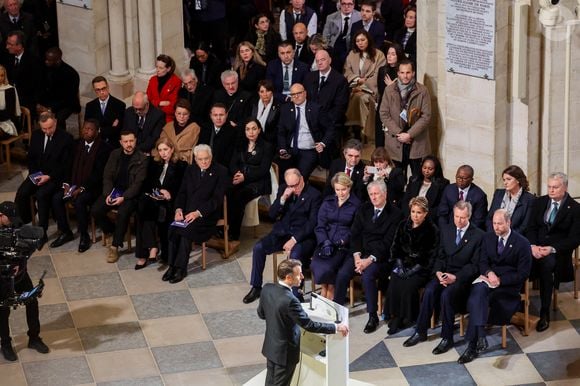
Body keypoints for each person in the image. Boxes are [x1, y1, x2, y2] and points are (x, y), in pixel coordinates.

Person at [403, 201, 484, 353]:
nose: (459, 221)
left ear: (469, 216)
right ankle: (420, 331)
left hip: (463, 279)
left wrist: (456, 277)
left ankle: (447, 338)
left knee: (447, 295)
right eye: (456, 217)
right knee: (429, 290)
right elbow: (439, 256)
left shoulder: (478, 236)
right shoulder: (446, 230)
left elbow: (475, 266)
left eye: (462, 218)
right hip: (444, 274)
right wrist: (438, 272)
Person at [258, 259, 349, 386]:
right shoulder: (290, 300)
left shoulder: (267, 289)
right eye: (299, 274)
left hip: (271, 347)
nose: (302, 276)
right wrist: (336, 327)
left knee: (270, 382)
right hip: (285, 353)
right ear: (289, 278)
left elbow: (261, 314)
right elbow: (309, 325)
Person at [458, 209, 531, 364]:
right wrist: (489, 272)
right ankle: (479, 338)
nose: (496, 227)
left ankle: (473, 344)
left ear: (509, 222)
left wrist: (501, 280)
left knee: (476, 300)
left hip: (507, 287)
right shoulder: (488, 238)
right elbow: (482, 261)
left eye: (500, 224)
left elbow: (523, 274)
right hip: (488, 280)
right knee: (477, 292)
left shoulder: (522, 243)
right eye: (494, 223)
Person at [334, 180, 404, 333]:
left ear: (384, 194)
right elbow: (355, 234)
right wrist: (357, 256)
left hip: (381, 257)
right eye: (371, 194)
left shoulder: (396, 214)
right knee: (343, 273)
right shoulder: (363, 208)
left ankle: (373, 316)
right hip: (361, 254)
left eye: (376, 194)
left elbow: (388, 243)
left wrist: (369, 260)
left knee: (367, 276)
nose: (373, 197)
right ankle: (337, 310)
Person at [243, 168, 322, 304]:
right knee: (258, 248)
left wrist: (294, 239)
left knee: (295, 256)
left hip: (302, 236)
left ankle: (297, 293)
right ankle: (256, 287)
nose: (293, 189)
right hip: (282, 232)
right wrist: (282, 199)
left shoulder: (314, 195)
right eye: (290, 185)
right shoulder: (284, 189)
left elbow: (312, 223)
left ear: (302, 179)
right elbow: (272, 214)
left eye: (295, 185)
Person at [163, 145, 228, 284]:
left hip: (206, 215)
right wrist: (178, 209)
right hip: (187, 212)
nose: (204, 162)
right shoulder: (190, 169)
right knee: (173, 228)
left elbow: (216, 200)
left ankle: (181, 268)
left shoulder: (220, 171)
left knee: (186, 231)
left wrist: (198, 213)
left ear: (211, 157)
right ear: (195, 159)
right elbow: (182, 192)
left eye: (206, 159)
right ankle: (172, 266)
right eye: (200, 159)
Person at [525, 172, 580, 332]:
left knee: (546, 265)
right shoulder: (540, 202)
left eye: (555, 187)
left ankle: (544, 312)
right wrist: (533, 246)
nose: (551, 190)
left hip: (557, 252)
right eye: (549, 186)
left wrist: (551, 249)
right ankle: (517, 305)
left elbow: (575, 239)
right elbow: (531, 228)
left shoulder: (575, 208)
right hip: (536, 247)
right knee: (518, 258)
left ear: (565, 187)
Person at [49, 119, 112, 253]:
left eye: (90, 129)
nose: (86, 131)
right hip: (73, 184)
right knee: (56, 198)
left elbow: (98, 173)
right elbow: (67, 166)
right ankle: (66, 232)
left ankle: (84, 236)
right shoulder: (76, 144)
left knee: (80, 201)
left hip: (93, 187)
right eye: (85, 128)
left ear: (97, 131)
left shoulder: (104, 148)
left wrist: (82, 188)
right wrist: (66, 184)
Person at [0, 201, 49, 362]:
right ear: (1, 216)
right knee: (3, 310)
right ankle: (5, 344)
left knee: (32, 301)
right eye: (10, 219)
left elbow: (28, 247)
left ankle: (34, 338)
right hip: (2, 279)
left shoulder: (17, 225)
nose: (14, 222)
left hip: (20, 274)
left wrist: (20, 263)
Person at [15, 111, 73, 242]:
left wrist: (49, 176)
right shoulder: (36, 135)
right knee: (22, 192)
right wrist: (36, 174)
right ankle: (25, 219)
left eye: (50, 128)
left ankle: (42, 232)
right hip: (38, 174)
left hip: (56, 177)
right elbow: (31, 158)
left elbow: (65, 165)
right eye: (44, 128)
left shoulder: (66, 138)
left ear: (56, 123)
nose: (47, 131)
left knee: (42, 195)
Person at [91, 131, 148, 263]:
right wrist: (108, 194)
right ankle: (112, 230)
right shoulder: (115, 154)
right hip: (114, 191)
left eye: (131, 141)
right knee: (96, 209)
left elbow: (138, 184)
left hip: (130, 195)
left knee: (123, 213)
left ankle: (115, 246)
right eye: (126, 141)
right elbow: (107, 176)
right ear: (121, 142)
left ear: (135, 141)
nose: (129, 144)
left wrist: (124, 197)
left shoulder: (142, 158)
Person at [387, 196, 439, 334]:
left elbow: (429, 257)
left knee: (409, 284)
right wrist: (400, 264)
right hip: (403, 264)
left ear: (425, 213)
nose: (415, 216)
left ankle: (407, 317)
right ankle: (396, 316)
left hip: (420, 269)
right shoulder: (403, 225)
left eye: (419, 212)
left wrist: (411, 271)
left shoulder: (432, 230)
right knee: (395, 280)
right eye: (413, 212)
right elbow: (395, 247)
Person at [134, 138, 187, 269]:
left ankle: (147, 252)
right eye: (160, 150)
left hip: (171, 202)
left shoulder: (181, 165)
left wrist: (169, 194)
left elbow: (182, 187)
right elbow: (148, 182)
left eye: (166, 149)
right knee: (143, 209)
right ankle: (151, 248)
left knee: (145, 213)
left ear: (172, 149)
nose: (163, 153)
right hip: (154, 199)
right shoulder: (154, 163)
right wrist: (158, 190)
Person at [311, 172, 361, 300]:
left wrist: (342, 241)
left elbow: (355, 229)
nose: (341, 193)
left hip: (343, 246)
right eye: (337, 189)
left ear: (349, 187)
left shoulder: (356, 205)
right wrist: (325, 241)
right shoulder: (327, 202)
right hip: (325, 243)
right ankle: (324, 289)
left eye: (343, 189)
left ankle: (330, 292)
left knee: (330, 266)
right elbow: (320, 225)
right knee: (318, 264)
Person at [379, 59, 431, 179]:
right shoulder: (389, 90)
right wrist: (399, 133)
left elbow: (426, 116)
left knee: (417, 178)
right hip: (395, 141)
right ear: (398, 73)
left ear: (413, 73)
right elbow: (384, 113)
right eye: (402, 73)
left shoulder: (422, 91)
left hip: (416, 141)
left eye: (408, 72)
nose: (405, 76)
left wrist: (409, 134)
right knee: (396, 178)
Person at [227, 119, 273, 241]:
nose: (251, 132)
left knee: (238, 196)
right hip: (240, 179)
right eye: (247, 129)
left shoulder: (267, 146)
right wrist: (237, 173)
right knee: (226, 192)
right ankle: (223, 228)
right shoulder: (240, 144)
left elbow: (263, 170)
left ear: (259, 130)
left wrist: (245, 177)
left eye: (254, 128)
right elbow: (232, 163)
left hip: (257, 183)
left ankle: (234, 233)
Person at [277, 83, 334, 179]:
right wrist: (282, 149)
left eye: (299, 93)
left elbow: (330, 129)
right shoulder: (286, 109)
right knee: (281, 174)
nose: (296, 96)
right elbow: (281, 132)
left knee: (300, 177)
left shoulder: (316, 109)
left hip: (309, 150)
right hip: (290, 149)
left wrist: (323, 143)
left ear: (305, 93)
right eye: (293, 94)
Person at [343, 30, 386, 141]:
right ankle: (358, 129)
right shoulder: (352, 54)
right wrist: (357, 80)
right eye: (357, 41)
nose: (360, 43)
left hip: (370, 90)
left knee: (361, 98)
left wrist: (361, 85)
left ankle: (359, 129)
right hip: (353, 87)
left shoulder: (378, 55)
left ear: (368, 40)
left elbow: (378, 75)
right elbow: (347, 71)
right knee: (353, 97)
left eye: (363, 40)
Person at [303, 49, 349, 141]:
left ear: (330, 60)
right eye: (317, 61)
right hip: (310, 122)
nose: (319, 63)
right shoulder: (309, 78)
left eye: (323, 60)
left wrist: (322, 121)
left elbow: (339, 108)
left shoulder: (340, 80)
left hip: (330, 123)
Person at [36, 47, 80, 130]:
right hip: (49, 101)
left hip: (66, 104)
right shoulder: (44, 68)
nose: (46, 61)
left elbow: (69, 97)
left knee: (58, 118)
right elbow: (40, 87)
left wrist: (50, 109)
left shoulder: (70, 74)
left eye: (49, 60)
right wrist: (39, 103)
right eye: (46, 59)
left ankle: (60, 140)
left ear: (58, 60)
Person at [486, 165, 535, 234]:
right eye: (504, 180)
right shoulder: (498, 194)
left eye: (509, 179)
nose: (505, 183)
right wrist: (493, 234)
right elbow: (489, 218)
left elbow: (524, 226)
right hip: (494, 235)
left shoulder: (529, 199)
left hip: (515, 239)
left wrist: (508, 237)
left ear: (518, 180)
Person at [438, 165, 488, 230]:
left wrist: (463, 231)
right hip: (449, 228)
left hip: (469, 230)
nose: (460, 181)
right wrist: (445, 229)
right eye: (458, 177)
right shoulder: (449, 189)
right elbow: (442, 213)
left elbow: (478, 221)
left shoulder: (479, 196)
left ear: (471, 179)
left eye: (464, 179)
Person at [4, 30, 42, 115]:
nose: (7, 47)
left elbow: (36, 86)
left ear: (20, 46)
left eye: (10, 44)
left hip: (27, 99)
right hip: (11, 95)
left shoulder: (33, 61)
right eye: (7, 43)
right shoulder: (7, 58)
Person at [84, 76, 126, 147]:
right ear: (94, 91)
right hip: (96, 143)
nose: (101, 92)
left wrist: (99, 130)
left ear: (108, 87)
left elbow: (118, 129)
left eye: (103, 88)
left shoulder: (119, 105)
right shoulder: (90, 106)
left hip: (114, 144)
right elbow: (88, 129)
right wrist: (111, 128)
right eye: (98, 90)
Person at [375, 43, 405, 146]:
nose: (389, 56)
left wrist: (392, 86)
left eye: (393, 54)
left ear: (399, 56)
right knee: (380, 136)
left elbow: (405, 93)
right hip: (384, 105)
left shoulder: (403, 72)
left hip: (397, 107)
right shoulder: (382, 70)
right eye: (388, 53)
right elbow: (381, 91)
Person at [155, 99, 200, 164]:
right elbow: (160, 144)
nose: (181, 117)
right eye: (179, 113)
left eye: (185, 114)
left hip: (183, 163)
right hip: (164, 160)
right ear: (175, 113)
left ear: (189, 115)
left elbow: (191, 150)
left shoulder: (194, 128)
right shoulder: (168, 127)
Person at [323, 0, 361, 71]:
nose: (346, 7)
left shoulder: (360, 17)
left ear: (354, 5)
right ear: (340, 4)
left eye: (349, 4)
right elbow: (325, 37)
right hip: (334, 49)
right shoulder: (331, 17)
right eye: (344, 4)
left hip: (352, 47)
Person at [198, 103, 237, 168]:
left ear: (226, 115)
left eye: (221, 115)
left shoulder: (233, 132)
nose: (218, 118)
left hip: (222, 169)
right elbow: (199, 148)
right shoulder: (205, 128)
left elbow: (230, 156)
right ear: (211, 116)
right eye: (215, 115)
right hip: (203, 165)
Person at [146, 54, 181, 123]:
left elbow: (173, 106)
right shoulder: (153, 80)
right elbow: (147, 101)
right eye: (157, 67)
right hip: (152, 115)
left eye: (161, 68)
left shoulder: (176, 82)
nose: (157, 70)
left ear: (168, 69)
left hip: (167, 117)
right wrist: (160, 103)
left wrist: (155, 105)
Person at [250, 79, 280, 148]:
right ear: (258, 93)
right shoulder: (253, 104)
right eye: (262, 91)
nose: (265, 94)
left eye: (268, 91)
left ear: (272, 92)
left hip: (270, 142)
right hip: (253, 138)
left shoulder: (279, 106)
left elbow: (277, 130)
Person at [0, 64, 20, 139]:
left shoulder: (9, 90)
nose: (0, 78)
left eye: (2, 75)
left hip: (8, 121)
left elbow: (9, 112)